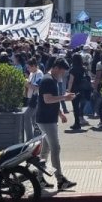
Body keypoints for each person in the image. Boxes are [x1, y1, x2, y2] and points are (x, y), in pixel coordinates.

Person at [35, 58, 77, 191]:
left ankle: (39, 178)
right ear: (56, 68)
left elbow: (50, 100)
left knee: (46, 150)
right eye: (62, 71)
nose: (62, 74)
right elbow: (47, 100)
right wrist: (65, 97)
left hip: (47, 118)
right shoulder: (48, 80)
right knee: (55, 148)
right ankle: (60, 179)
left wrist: (60, 113)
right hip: (46, 120)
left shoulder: (51, 79)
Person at [66, 53, 92, 130]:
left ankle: (77, 123)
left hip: (75, 89)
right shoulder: (84, 68)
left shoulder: (73, 69)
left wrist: (68, 90)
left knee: (75, 107)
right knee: (81, 105)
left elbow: (71, 81)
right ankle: (81, 119)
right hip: (84, 89)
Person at [23, 59, 44, 141]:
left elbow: (37, 87)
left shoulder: (39, 74)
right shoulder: (32, 73)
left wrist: (27, 84)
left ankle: (29, 138)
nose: (27, 69)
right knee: (34, 119)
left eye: (29, 67)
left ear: (34, 66)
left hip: (36, 98)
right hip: (31, 98)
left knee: (27, 116)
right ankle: (37, 137)